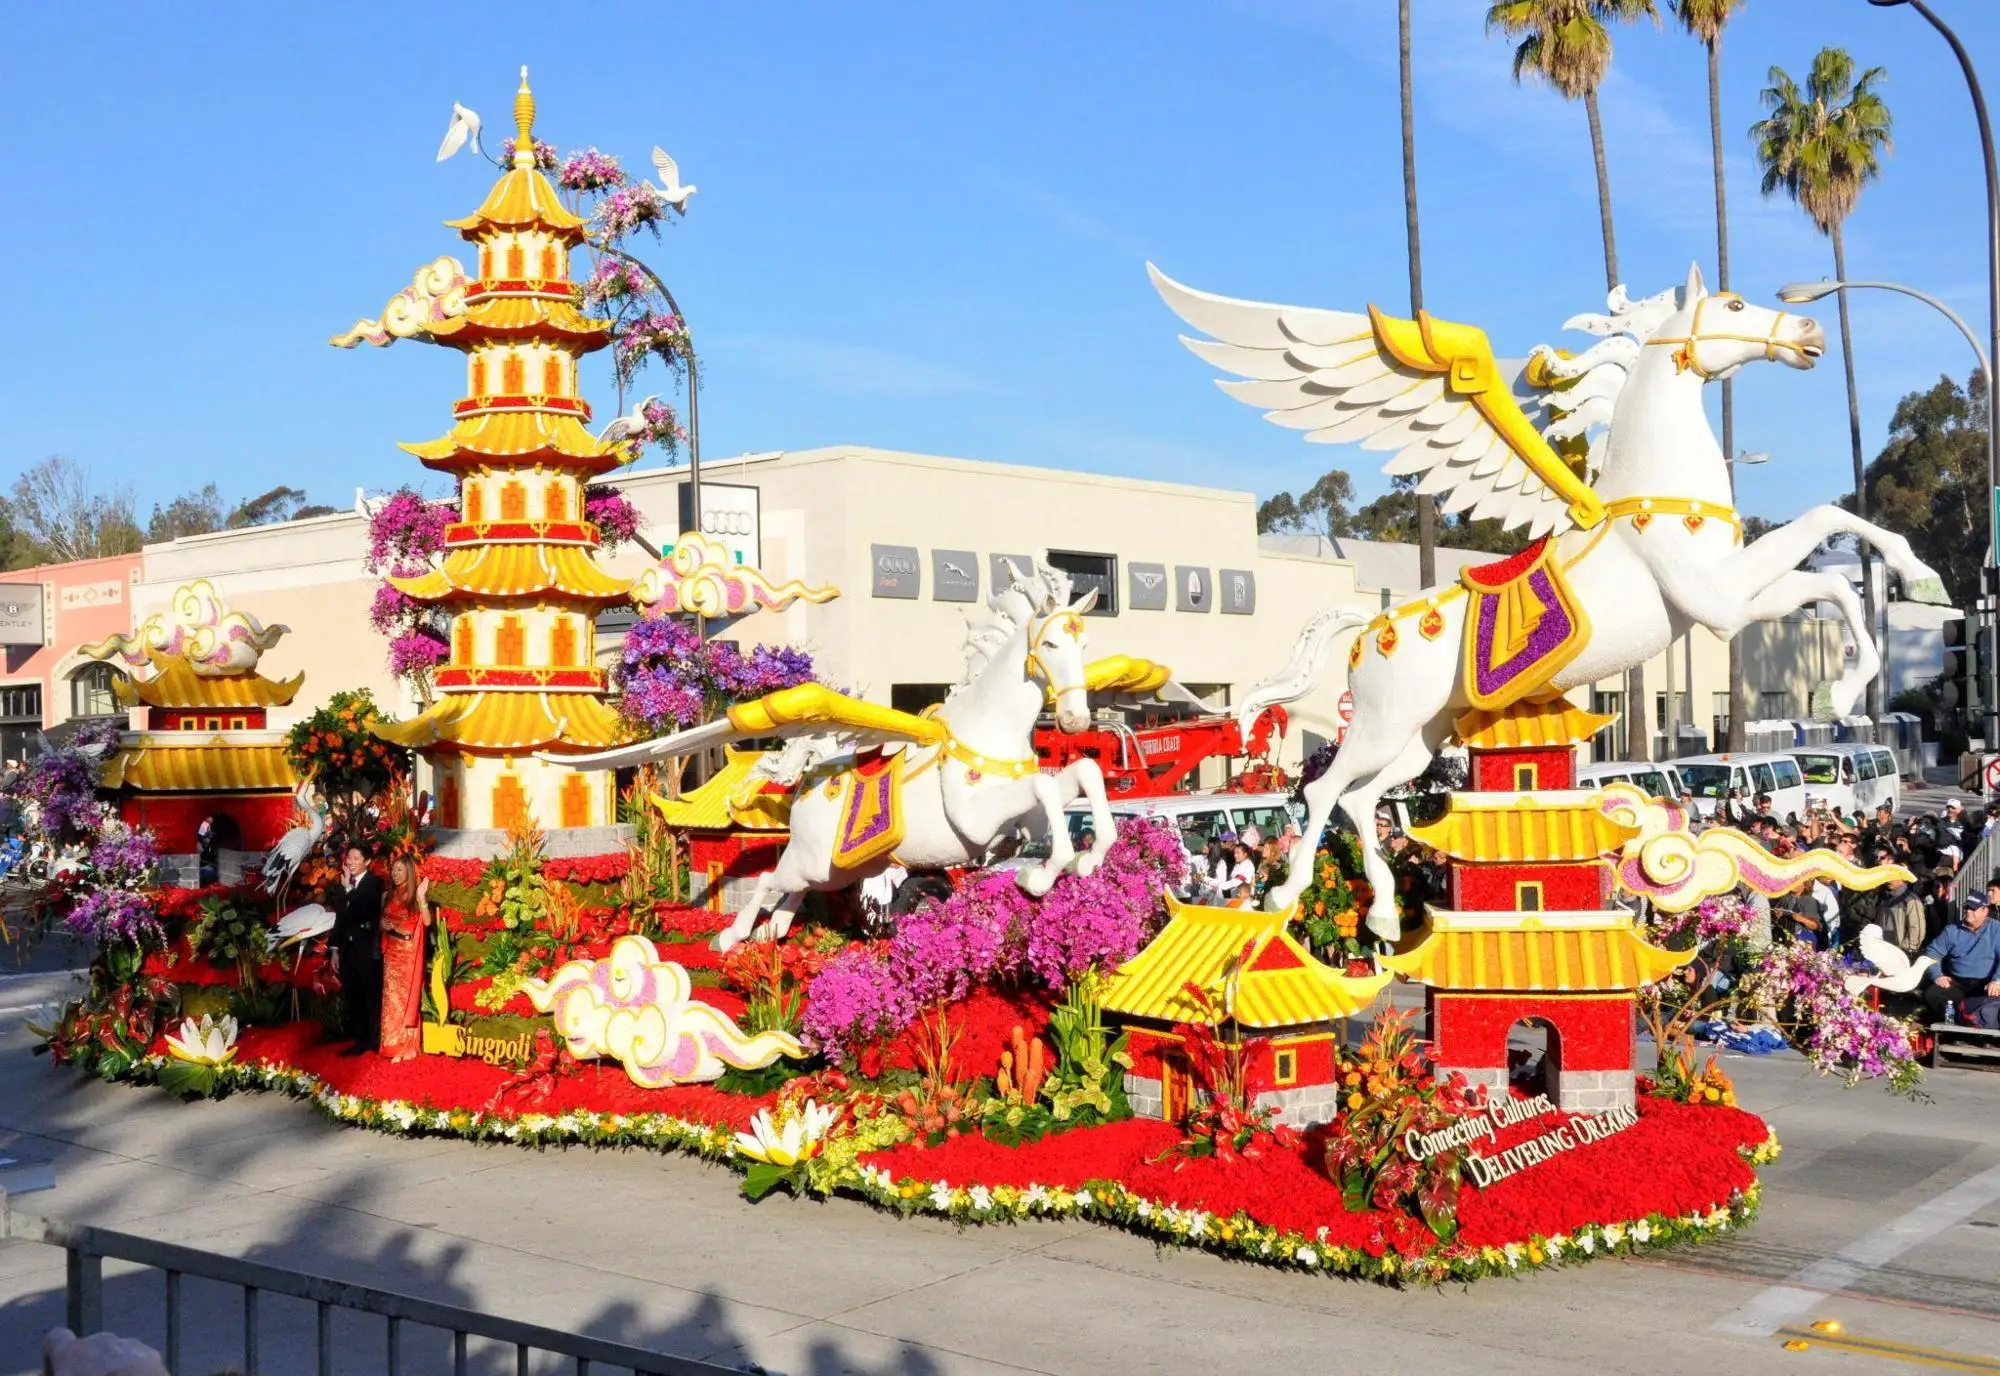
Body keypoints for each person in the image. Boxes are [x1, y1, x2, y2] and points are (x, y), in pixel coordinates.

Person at [328, 843, 385, 1053]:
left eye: (355, 858)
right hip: (348, 949)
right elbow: (340, 918)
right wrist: (334, 948)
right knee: (352, 995)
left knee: (370, 996)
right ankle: (359, 1040)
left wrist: (347, 890)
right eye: (348, 858)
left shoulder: (374, 883)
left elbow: (358, 912)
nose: (350, 862)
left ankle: (374, 1042)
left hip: (367, 950)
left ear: (367, 862)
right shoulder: (344, 884)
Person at [1919, 892, 2000, 1026]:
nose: (1968, 911)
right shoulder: (1951, 930)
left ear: (1985, 910)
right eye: (1966, 907)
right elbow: (1932, 953)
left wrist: (1997, 981)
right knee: (1931, 994)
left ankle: (1985, 1031)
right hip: (1957, 983)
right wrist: (1937, 975)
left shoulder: (1997, 929)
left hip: (1986, 984)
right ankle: (1953, 1026)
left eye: (1973, 908)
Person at [379, 854, 430, 1062]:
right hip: (392, 951)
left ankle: (406, 1047)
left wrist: (422, 899)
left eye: (400, 870)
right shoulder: (388, 896)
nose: (395, 874)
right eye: (393, 870)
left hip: (408, 953)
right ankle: (391, 1044)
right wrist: (385, 925)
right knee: (391, 1001)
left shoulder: (414, 895)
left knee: (406, 1000)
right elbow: (381, 922)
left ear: (408, 872)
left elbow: (426, 922)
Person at [195, 816, 219, 888]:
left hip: (209, 866)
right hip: (200, 869)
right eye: (208, 836)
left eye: (210, 836)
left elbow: (215, 855)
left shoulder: (212, 843)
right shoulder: (198, 843)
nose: (209, 838)